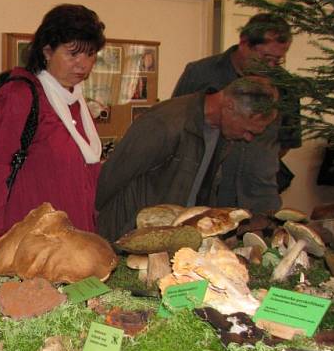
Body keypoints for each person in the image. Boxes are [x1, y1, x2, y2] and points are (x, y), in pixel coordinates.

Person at [0, 4, 105, 240]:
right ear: (47, 51)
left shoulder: (77, 102)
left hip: (75, 240)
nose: (83, 64)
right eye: (73, 54)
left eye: (90, 54)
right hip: (30, 244)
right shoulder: (19, 95)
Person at [96, 76, 279, 241]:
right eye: (247, 130)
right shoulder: (163, 124)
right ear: (229, 106)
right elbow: (111, 177)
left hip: (175, 237)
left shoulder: (223, 133)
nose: (248, 138)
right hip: (133, 235)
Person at [171, 13, 301, 212]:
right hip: (204, 195)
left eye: (278, 60)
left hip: (260, 197)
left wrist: (256, 157)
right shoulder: (200, 74)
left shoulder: (286, 86)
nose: (272, 67)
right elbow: (176, 126)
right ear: (244, 42)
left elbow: (286, 141)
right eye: (266, 58)